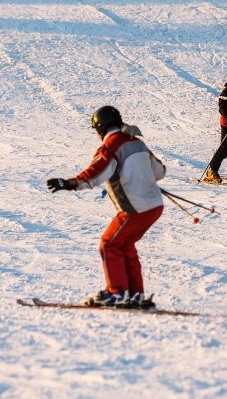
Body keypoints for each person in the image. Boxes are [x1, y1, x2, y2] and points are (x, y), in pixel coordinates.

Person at [46, 106, 166, 309]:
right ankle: (134, 294)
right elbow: (160, 171)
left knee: (109, 244)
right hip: (154, 206)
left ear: (100, 128)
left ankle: (117, 292)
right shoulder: (137, 143)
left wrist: (69, 183)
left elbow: (96, 172)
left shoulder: (110, 146)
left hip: (134, 209)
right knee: (125, 245)